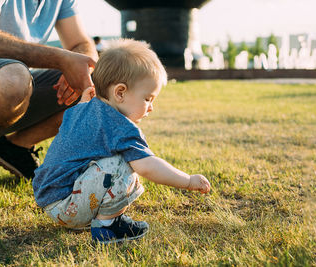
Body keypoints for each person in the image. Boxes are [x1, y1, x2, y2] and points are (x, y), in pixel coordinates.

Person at [32, 39, 211, 244]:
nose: (151, 107)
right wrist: (187, 181)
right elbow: (148, 167)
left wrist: (83, 100)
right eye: (148, 99)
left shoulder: (81, 108)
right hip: (67, 206)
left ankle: (94, 218)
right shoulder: (120, 126)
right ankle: (108, 226)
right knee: (124, 162)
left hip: (50, 199)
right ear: (120, 92)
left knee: (116, 158)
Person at [0, 0, 98, 200]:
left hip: (12, 87)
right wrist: (61, 59)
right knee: (13, 77)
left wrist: (81, 64)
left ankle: (16, 148)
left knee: (97, 85)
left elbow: (80, 43)